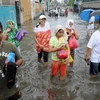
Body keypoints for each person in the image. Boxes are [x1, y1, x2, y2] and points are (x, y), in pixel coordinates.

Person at [0, 22, 23, 100]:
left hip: (12, 88)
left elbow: (20, 59)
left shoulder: (9, 46)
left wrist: (14, 66)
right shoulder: (7, 33)